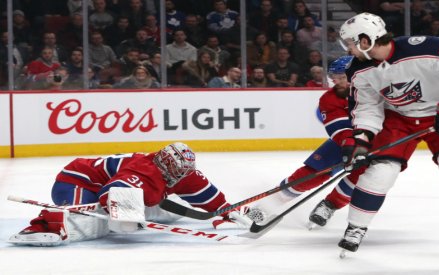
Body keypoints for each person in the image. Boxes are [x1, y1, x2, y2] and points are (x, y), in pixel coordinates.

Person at [337, 12, 439, 256]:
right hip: (399, 119)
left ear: (366, 40)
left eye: (352, 43)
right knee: (381, 171)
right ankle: (355, 227)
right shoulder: (358, 70)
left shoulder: (431, 48)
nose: (349, 50)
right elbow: (366, 106)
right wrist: (362, 139)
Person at [9, 142, 252, 247]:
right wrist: (126, 215)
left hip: (109, 184)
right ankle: (45, 226)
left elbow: (208, 197)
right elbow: (110, 194)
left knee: (162, 205)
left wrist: (224, 211)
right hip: (77, 180)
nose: (181, 176)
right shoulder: (143, 172)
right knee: (92, 216)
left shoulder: (184, 172)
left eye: (184, 172)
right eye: (177, 171)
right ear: (165, 165)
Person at [247, 56, 365, 228]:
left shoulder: (377, 91)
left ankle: (328, 207)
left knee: (364, 178)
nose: (337, 82)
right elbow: (338, 128)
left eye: (342, 77)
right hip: (344, 142)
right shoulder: (330, 98)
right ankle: (266, 206)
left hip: (376, 143)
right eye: (335, 78)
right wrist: (349, 146)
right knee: (310, 175)